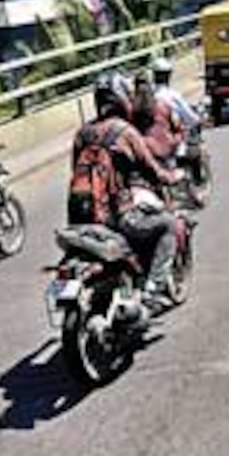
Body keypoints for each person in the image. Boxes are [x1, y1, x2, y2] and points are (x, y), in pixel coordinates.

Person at [70, 72, 181, 318]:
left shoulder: (82, 133)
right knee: (168, 226)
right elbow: (151, 169)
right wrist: (172, 177)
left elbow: (75, 172)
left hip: (81, 219)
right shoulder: (125, 132)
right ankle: (152, 291)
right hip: (117, 216)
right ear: (122, 99)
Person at [132, 70, 184, 166]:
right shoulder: (162, 105)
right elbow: (177, 126)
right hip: (166, 148)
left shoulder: (131, 110)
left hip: (146, 152)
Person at [150, 57, 200, 131]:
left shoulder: (147, 94)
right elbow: (191, 117)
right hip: (170, 136)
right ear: (168, 76)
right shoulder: (173, 96)